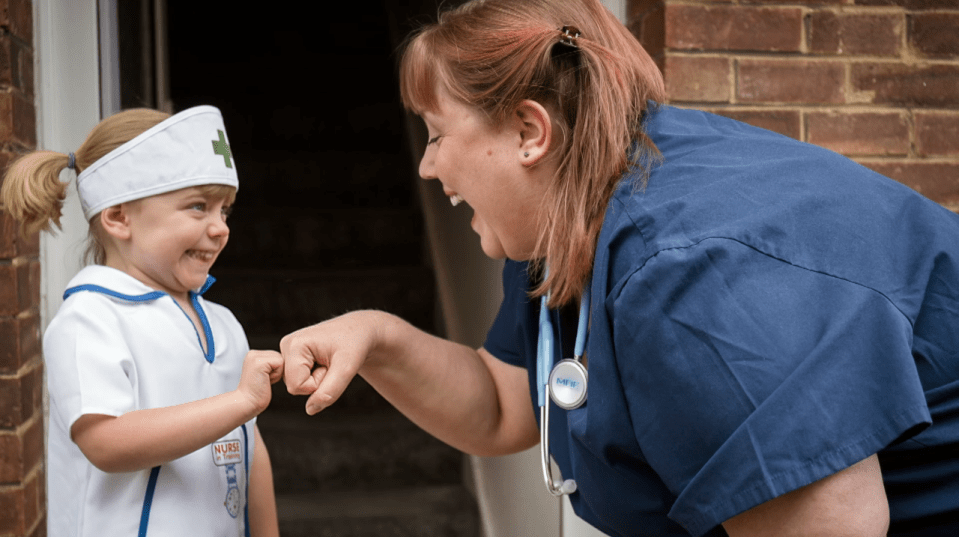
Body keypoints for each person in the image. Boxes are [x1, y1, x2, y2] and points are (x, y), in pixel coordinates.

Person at [279, 1, 959, 535]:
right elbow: (501, 404)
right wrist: (377, 337)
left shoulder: (686, 272)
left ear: (527, 132)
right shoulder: (568, 208)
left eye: (434, 133)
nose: (426, 166)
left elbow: (828, 530)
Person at [1, 106, 283, 536]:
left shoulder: (222, 323)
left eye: (224, 210)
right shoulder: (90, 319)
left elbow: (247, 448)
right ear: (118, 217)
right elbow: (106, 442)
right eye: (197, 206)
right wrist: (240, 402)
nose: (221, 227)